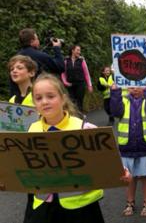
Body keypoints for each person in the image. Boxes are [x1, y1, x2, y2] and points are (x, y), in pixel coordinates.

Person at [24, 73, 104, 223]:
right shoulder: (30, 131)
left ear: (63, 98)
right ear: (34, 103)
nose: (45, 102)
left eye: (50, 96)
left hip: (81, 208)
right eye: (39, 98)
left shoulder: (84, 128)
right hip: (44, 206)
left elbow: (105, 163)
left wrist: (122, 173)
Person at [110, 77, 146, 217]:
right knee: (129, 177)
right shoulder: (123, 100)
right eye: (131, 86)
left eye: (140, 85)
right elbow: (115, 111)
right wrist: (115, 93)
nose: (135, 88)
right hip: (127, 146)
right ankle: (130, 202)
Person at [12, 28, 64, 96]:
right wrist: (57, 48)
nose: (39, 41)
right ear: (32, 41)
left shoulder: (15, 59)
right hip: (36, 95)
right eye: (37, 39)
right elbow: (60, 67)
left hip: (17, 97)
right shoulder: (41, 56)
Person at [61, 45, 93, 112]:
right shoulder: (66, 60)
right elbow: (63, 73)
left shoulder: (81, 60)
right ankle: (73, 117)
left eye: (79, 50)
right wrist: (65, 82)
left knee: (79, 102)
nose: (79, 52)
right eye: (77, 50)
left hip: (80, 84)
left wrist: (89, 85)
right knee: (71, 102)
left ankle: (80, 118)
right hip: (70, 84)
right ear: (72, 50)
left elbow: (86, 74)